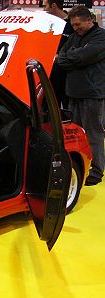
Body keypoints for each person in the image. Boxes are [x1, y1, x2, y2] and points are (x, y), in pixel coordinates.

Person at [58, 5, 105, 186]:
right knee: (75, 134)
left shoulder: (101, 37)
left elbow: (82, 57)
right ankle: (81, 164)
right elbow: (62, 59)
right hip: (73, 93)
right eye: (74, 25)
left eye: (79, 24)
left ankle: (97, 169)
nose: (76, 28)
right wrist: (73, 58)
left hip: (92, 94)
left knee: (93, 133)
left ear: (89, 20)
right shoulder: (73, 37)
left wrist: (72, 58)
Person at [44, 0, 74, 109]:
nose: (44, 9)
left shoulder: (72, 25)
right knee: (50, 106)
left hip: (68, 74)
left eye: (45, 6)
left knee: (67, 108)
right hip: (50, 73)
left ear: (54, 6)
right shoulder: (48, 24)